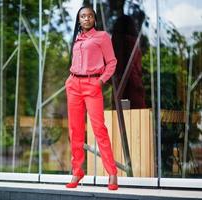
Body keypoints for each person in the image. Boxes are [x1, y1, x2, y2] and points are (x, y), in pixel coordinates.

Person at [65, 5, 118, 190]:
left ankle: (112, 173)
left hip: (92, 85)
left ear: (94, 19)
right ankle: (77, 171)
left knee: (99, 129)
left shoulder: (102, 37)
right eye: (82, 16)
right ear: (79, 20)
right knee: (75, 131)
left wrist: (101, 81)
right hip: (73, 85)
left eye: (89, 16)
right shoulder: (77, 39)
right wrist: (69, 82)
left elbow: (112, 62)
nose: (86, 19)